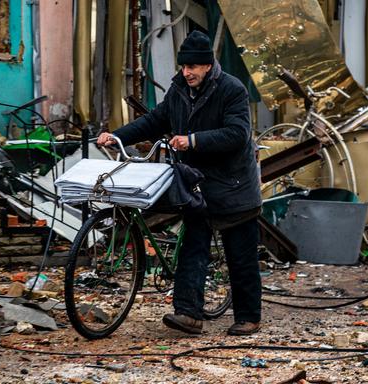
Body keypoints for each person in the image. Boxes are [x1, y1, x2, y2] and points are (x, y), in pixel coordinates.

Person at [97, 30, 263, 336]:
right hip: (197, 185)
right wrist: (118, 135)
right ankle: (188, 314)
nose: (187, 72)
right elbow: (154, 121)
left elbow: (238, 134)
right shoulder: (178, 91)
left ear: (208, 66)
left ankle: (249, 316)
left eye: (193, 67)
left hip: (233, 185)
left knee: (240, 254)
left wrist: (193, 140)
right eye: (184, 66)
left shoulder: (232, 90)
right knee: (193, 247)